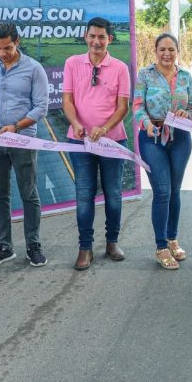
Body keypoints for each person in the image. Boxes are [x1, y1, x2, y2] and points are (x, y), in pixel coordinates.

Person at [0, 22, 50, 268]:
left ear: (18, 41)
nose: (2, 53)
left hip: (22, 139)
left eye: (7, 48)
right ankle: (4, 247)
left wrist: (16, 127)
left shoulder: (34, 69)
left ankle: (33, 245)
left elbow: (41, 108)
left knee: (29, 193)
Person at [62, 17, 131, 271]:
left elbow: (122, 107)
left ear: (109, 39)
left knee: (113, 194)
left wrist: (104, 128)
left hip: (112, 141)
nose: (96, 41)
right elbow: (67, 101)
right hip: (79, 141)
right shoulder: (72, 63)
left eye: (102, 37)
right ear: (86, 37)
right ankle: (85, 247)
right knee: (84, 196)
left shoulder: (120, 68)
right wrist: (76, 123)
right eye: (92, 36)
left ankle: (112, 242)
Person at [133, 33, 192, 270]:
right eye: (162, 49)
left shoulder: (186, 76)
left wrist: (186, 115)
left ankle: (172, 239)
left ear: (177, 51)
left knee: (175, 190)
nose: (167, 54)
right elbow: (138, 106)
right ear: (155, 51)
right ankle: (160, 247)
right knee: (162, 191)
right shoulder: (145, 75)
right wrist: (146, 124)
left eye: (171, 49)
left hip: (180, 138)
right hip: (152, 137)